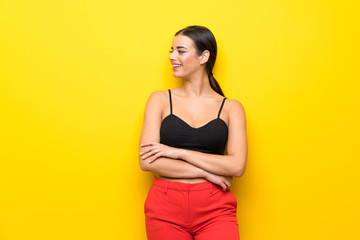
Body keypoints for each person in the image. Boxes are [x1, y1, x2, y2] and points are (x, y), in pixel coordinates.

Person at [139, 25, 247, 240]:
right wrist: (207, 173)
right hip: (164, 206)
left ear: (203, 56)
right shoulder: (159, 99)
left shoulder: (231, 108)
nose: (172, 57)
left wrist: (178, 152)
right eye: (171, 50)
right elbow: (148, 162)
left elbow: (236, 166)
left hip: (216, 207)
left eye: (180, 51)